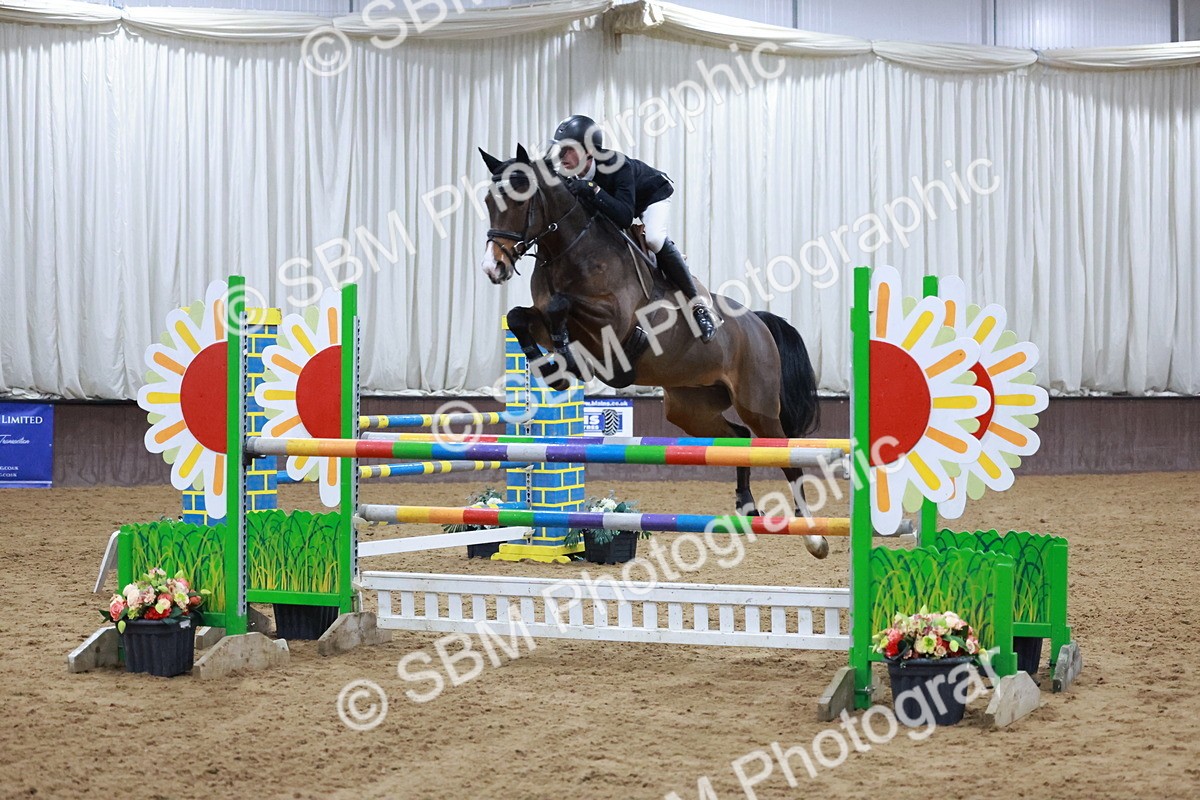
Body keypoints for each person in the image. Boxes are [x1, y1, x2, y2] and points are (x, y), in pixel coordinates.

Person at [551, 114, 719, 343]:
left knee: (654, 238)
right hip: (620, 203)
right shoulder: (571, 177)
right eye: (559, 149)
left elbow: (623, 216)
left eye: (568, 149)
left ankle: (698, 306)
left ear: (589, 151)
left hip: (651, 195)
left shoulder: (615, 165)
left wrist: (593, 190)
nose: (561, 156)